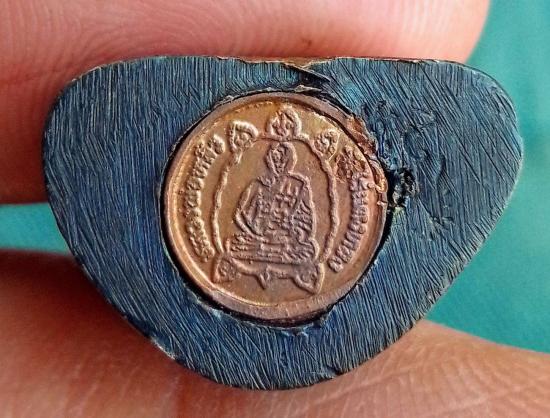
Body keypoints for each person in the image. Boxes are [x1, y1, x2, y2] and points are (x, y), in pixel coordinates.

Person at [3, 1, 550, 417]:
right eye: (275, 161)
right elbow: (243, 216)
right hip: (251, 248)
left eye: (285, 161)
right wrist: (255, 224)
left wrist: (287, 226)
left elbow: (308, 224)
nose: (279, 166)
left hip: (290, 250)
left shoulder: (299, 186)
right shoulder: (254, 183)